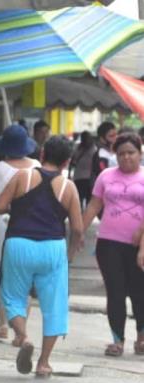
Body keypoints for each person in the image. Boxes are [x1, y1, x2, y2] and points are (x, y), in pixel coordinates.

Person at [0, 136, 83, 378]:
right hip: (52, 248)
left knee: (12, 296)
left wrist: (19, 208)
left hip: (19, 243)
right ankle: (43, 363)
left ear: (42, 155)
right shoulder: (69, 187)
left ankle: (22, 337)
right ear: (66, 162)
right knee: (54, 305)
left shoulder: (22, 176)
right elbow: (77, 228)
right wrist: (71, 253)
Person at [82, 133, 144, 357]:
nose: (126, 157)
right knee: (115, 292)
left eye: (131, 152)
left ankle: (141, 338)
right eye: (121, 154)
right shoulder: (106, 176)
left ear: (140, 153)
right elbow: (94, 206)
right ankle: (117, 340)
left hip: (138, 246)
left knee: (140, 292)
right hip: (109, 243)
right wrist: (78, 232)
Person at [0, 125, 40, 342]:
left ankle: (3, 325)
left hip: (0, 228)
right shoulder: (37, 166)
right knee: (25, 277)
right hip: (31, 227)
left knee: (1, 277)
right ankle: (20, 330)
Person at [70, 131, 98, 209]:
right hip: (82, 177)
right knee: (82, 199)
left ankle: (83, 215)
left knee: (84, 198)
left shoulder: (93, 148)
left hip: (86, 177)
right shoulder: (78, 148)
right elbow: (72, 161)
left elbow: (72, 162)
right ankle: (81, 216)